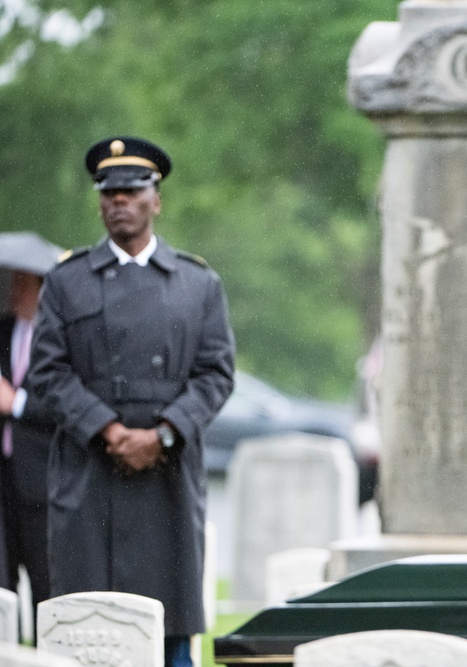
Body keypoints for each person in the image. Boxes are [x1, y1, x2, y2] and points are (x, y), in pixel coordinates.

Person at [29, 136, 235, 667]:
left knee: (171, 635)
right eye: (109, 192)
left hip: (165, 476)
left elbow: (216, 373)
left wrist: (163, 433)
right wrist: (107, 430)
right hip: (89, 472)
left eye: (131, 190)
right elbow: (48, 372)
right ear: (100, 201)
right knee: (84, 628)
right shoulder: (66, 281)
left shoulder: (197, 283)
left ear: (155, 199)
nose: (119, 201)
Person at [0, 267, 57, 620]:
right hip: (3, 478)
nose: (14, 291)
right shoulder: (3, 329)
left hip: (40, 481)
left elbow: (66, 404)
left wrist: (15, 402)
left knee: (44, 582)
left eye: (23, 285)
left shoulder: (56, 338)